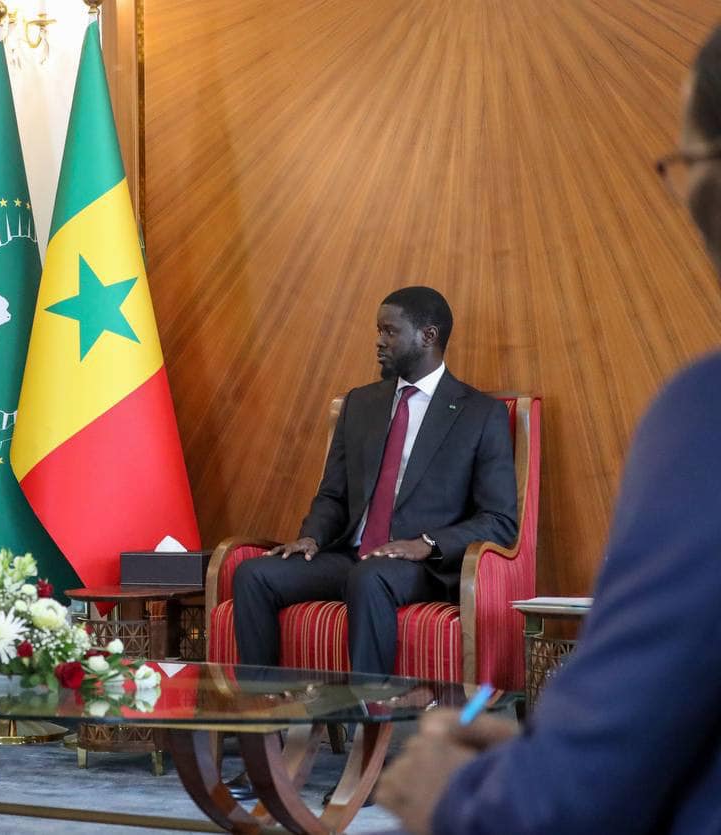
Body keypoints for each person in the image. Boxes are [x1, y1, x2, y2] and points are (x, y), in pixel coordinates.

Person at [377, 28, 721, 835]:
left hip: (436, 570)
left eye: (687, 164)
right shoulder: (366, 408)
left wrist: (451, 791)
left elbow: (571, 799)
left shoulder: (704, 416)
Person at [233, 286, 518, 677]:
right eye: (378, 331)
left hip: (422, 568)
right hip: (352, 555)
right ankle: (261, 719)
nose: (378, 342)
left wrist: (426, 545)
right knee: (253, 573)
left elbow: (499, 520)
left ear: (428, 336)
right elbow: (333, 493)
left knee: (369, 578)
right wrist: (312, 537)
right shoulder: (361, 403)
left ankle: (367, 722)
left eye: (389, 331)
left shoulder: (480, 415)